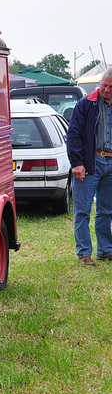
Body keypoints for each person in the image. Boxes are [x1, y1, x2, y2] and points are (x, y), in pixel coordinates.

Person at [66, 67, 112, 266]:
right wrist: (77, 163)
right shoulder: (85, 104)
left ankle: (105, 250)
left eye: (111, 87)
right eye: (104, 85)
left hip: (111, 162)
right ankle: (84, 253)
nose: (107, 89)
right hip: (90, 162)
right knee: (83, 211)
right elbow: (73, 134)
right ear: (99, 84)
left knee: (106, 211)